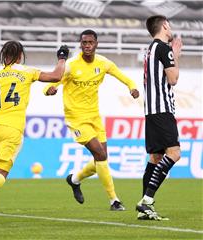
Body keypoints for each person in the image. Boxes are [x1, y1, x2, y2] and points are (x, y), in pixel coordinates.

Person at [0, 41, 69, 224]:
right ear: (20, 55)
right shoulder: (27, 71)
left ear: (3, 56)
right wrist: (62, 58)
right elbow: (56, 76)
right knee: (0, 174)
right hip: (12, 128)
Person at [44, 29, 140, 211]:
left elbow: (124, 77)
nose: (87, 46)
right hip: (76, 119)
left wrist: (132, 88)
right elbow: (53, 81)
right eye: (84, 43)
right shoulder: (72, 65)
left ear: (96, 44)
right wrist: (50, 89)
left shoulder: (103, 63)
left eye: (90, 42)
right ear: (80, 44)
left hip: (95, 117)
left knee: (101, 159)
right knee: (101, 155)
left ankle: (74, 179)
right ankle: (114, 201)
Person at [136, 15, 182, 221]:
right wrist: (175, 55)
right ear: (164, 25)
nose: (170, 28)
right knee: (174, 153)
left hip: (151, 110)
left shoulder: (150, 49)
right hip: (163, 109)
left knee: (155, 158)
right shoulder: (163, 48)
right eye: (169, 25)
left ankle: (144, 209)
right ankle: (147, 200)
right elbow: (173, 79)